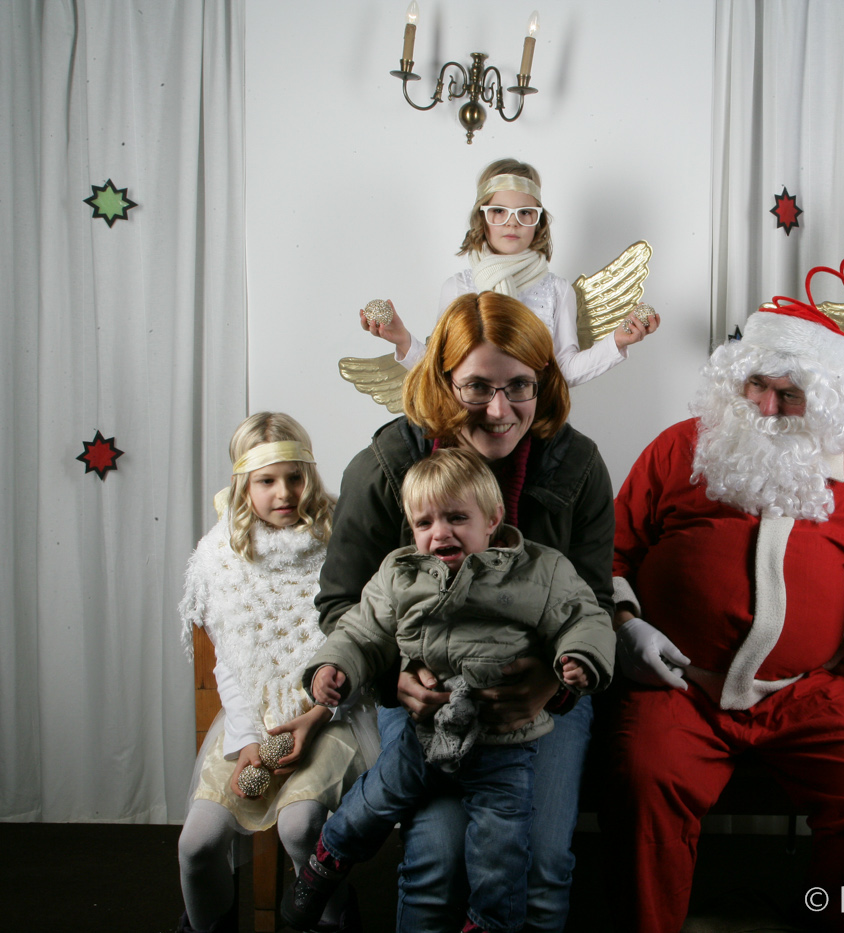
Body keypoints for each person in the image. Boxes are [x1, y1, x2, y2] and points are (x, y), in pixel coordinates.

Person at [602, 302, 844, 932]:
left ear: (824, 399)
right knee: (643, 786)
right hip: (679, 685)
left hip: (808, 693)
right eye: (757, 385)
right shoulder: (680, 447)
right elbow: (610, 550)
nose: (768, 408)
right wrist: (623, 625)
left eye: (791, 394)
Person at [316, 290, 616, 931]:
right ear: (442, 379)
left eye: (519, 385)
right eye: (477, 387)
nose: (499, 410)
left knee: (540, 865)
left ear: (543, 382)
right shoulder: (385, 466)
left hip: (540, 697)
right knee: (437, 856)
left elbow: (594, 603)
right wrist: (392, 676)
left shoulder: (578, 464)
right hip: (424, 688)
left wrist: (552, 683)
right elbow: (343, 603)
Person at [283, 448, 615, 933]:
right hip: (425, 732)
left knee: (502, 852)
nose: (440, 533)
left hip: (505, 743)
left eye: (457, 518)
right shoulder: (401, 575)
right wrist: (335, 667)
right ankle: (326, 861)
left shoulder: (540, 570)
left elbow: (586, 616)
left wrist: (578, 658)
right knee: (370, 803)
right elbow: (360, 630)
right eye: (425, 523)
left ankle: (488, 922)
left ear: (493, 520)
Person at [177, 413, 372, 933]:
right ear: (244, 483)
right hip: (252, 717)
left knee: (300, 826)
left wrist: (317, 715)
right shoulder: (220, 554)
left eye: (295, 476)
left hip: (333, 714)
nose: (284, 492)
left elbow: (365, 642)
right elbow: (231, 662)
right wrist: (247, 740)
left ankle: (330, 920)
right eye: (266, 480)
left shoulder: (343, 537)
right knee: (197, 845)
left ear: (311, 473)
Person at [360, 158, 659, 386]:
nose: (512, 222)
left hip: (535, 427)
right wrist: (402, 339)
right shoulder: (458, 288)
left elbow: (563, 372)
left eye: (525, 212)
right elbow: (441, 370)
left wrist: (616, 342)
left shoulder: (557, 291)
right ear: (482, 218)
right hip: (470, 428)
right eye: (499, 211)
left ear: (538, 222)